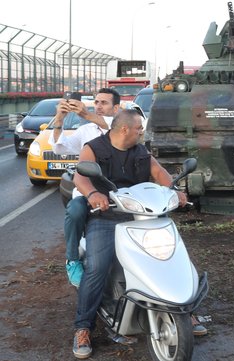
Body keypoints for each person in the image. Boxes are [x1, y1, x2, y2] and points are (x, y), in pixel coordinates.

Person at [70, 109, 203, 358]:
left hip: (144, 216)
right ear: (124, 129)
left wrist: (174, 191)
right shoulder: (95, 148)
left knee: (172, 255)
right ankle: (82, 327)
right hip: (106, 216)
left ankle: (185, 311)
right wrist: (93, 194)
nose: (141, 131)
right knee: (97, 267)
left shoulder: (140, 151)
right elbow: (80, 176)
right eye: (139, 128)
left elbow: (159, 173)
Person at [50, 88, 120, 289]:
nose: (98, 106)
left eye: (104, 103)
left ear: (116, 107)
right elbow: (59, 147)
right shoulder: (85, 131)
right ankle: (72, 260)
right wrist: (59, 118)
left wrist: (85, 114)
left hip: (120, 190)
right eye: (96, 102)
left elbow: (111, 128)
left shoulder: (122, 126)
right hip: (88, 190)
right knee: (75, 210)